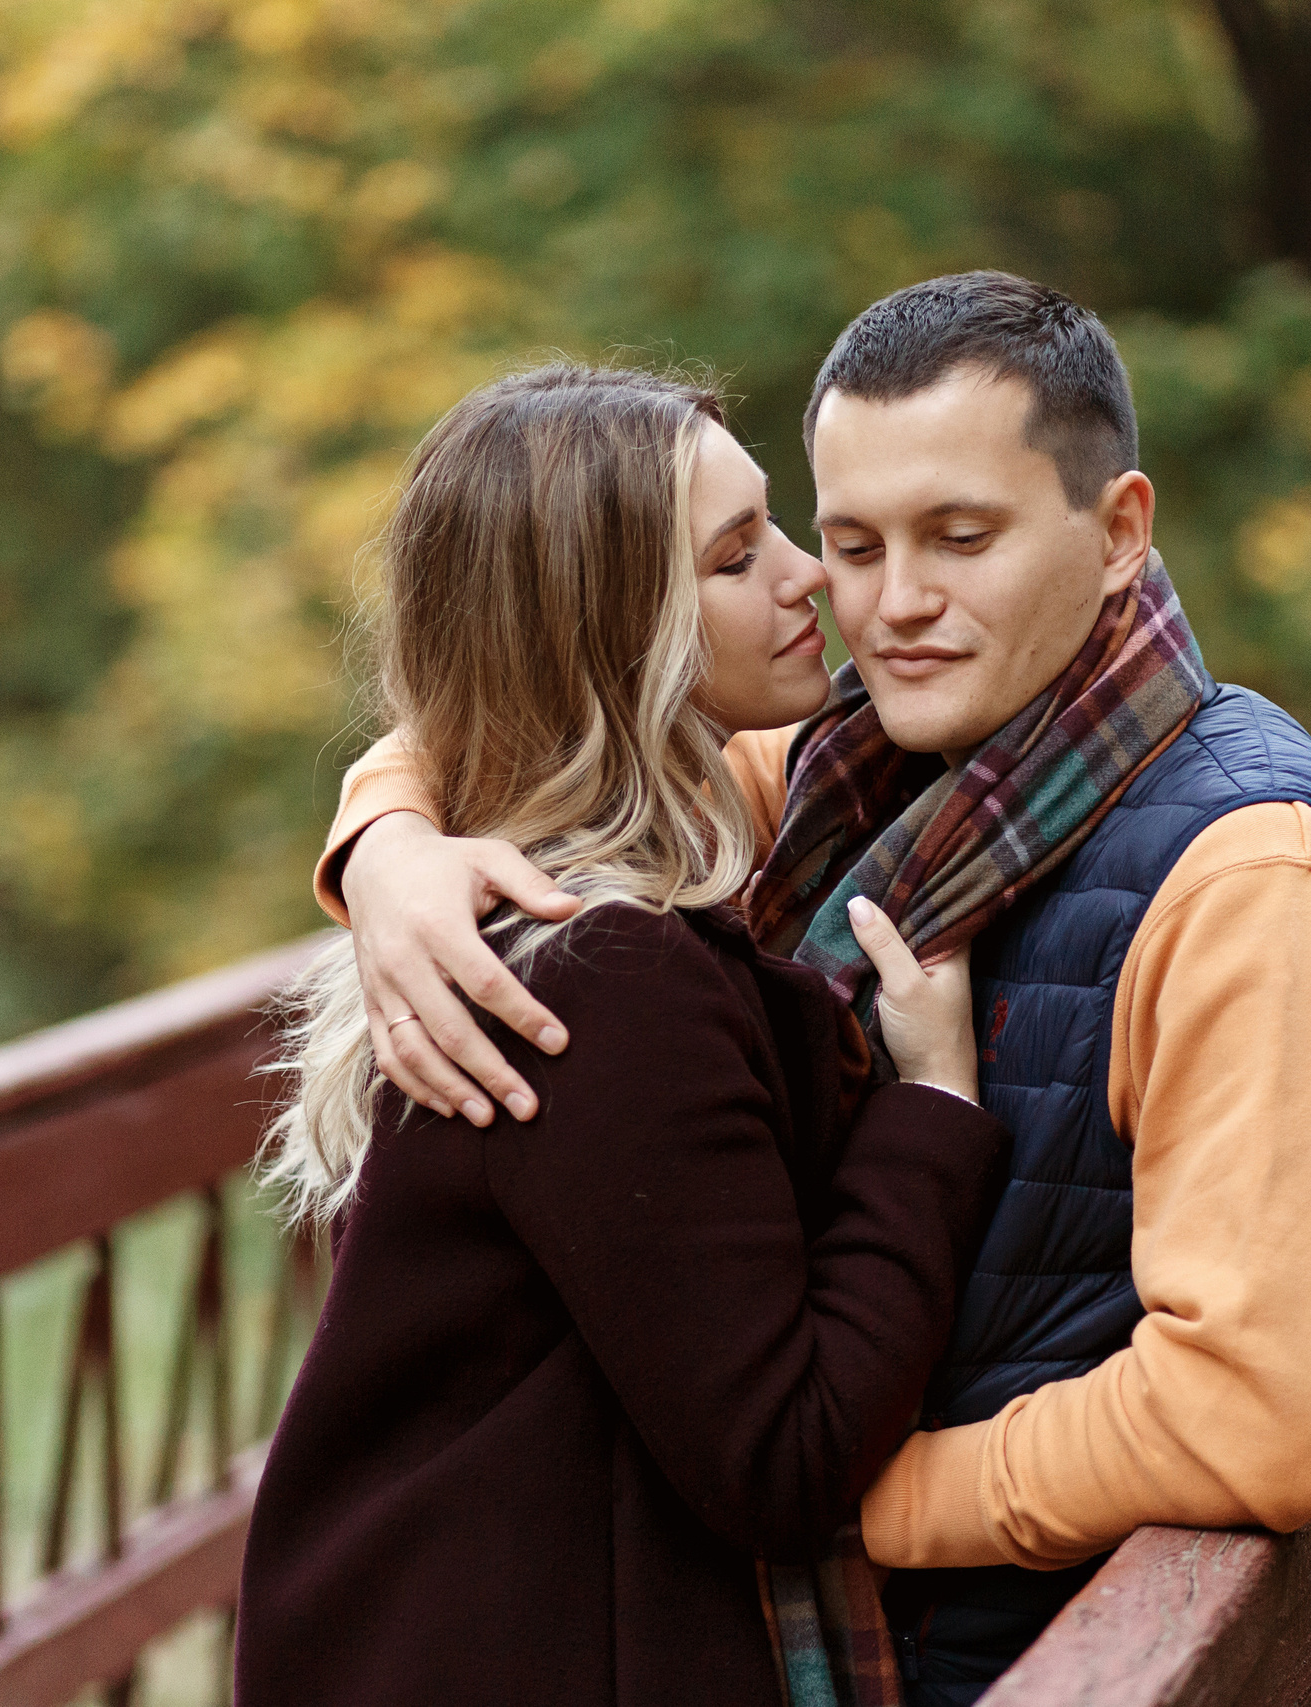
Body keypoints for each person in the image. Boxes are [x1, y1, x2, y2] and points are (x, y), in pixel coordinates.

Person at [313, 274, 1311, 1704]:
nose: (890, 606)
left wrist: (859, 1501)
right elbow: (535, 703)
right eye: (850, 543)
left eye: (961, 540)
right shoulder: (848, 786)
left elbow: (1276, 1422)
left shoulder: (1256, 884)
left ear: (1119, 532)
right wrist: (394, 843)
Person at [236, 363, 1014, 1707]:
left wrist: (385, 837)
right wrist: (933, 1107)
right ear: (618, 639)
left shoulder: (607, 897)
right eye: (733, 560)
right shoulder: (602, 976)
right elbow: (784, 1453)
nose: (807, 578)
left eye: (774, 527)